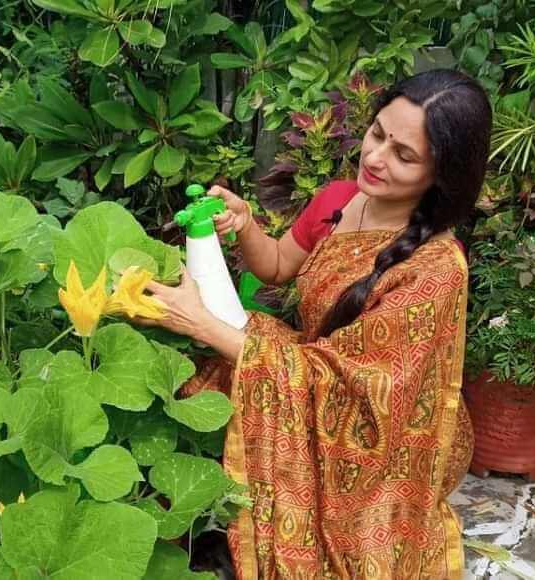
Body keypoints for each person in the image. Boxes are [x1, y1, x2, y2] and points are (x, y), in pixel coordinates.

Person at [141, 69, 492, 579]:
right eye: (377, 134)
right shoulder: (341, 198)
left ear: (442, 174)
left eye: (404, 155)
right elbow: (280, 265)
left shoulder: (435, 269)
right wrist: (245, 224)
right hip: (308, 372)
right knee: (203, 368)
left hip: (373, 429)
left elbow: (366, 393)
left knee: (216, 344)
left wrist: (203, 324)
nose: (375, 158)